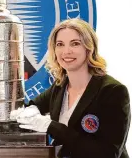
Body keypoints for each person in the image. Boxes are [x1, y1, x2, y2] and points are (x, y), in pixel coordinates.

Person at [11, 18, 131, 158]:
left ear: (89, 48)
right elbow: (33, 105)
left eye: (75, 44)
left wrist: (52, 127)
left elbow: (108, 153)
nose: (66, 51)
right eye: (60, 44)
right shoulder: (59, 86)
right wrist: (28, 110)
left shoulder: (113, 91)